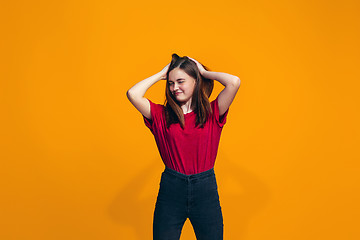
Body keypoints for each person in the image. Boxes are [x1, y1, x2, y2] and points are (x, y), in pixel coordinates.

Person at [126, 53, 241, 240]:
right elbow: (133, 94)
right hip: (171, 189)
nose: (174, 88)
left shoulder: (212, 112)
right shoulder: (160, 115)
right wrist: (162, 73)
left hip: (206, 190)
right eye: (171, 83)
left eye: (180, 81)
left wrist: (203, 72)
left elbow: (234, 82)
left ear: (196, 81)